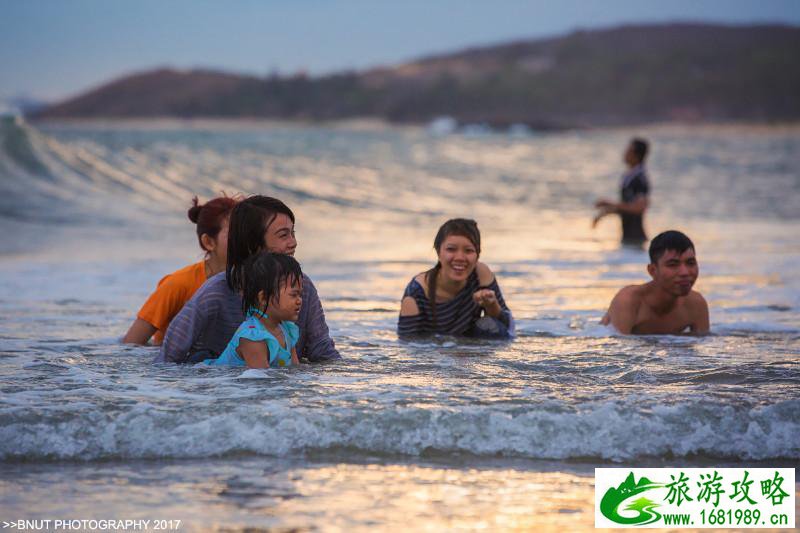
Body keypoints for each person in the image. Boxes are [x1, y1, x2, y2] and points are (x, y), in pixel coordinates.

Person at [154, 195, 339, 363]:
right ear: (253, 244)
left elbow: (322, 352)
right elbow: (167, 360)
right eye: (283, 235)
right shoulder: (215, 292)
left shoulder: (302, 286)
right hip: (224, 390)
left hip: (278, 391)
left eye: (293, 233)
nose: (293, 242)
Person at [123, 195, 239, 345]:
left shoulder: (255, 283)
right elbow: (130, 345)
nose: (244, 239)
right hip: (174, 366)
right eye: (234, 233)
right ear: (208, 242)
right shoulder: (177, 284)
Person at [398, 218, 514, 338]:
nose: (460, 257)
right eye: (451, 249)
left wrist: (491, 305)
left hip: (469, 348)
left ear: (477, 255)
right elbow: (408, 345)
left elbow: (508, 329)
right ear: (438, 252)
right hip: (434, 351)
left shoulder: (480, 274)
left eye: (468, 251)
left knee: (490, 326)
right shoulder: (416, 293)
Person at [601, 230, 709, 335]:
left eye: (690, 263)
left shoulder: (696, 303)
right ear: (653, 270)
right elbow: (616, 348)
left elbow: (702, 346)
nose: (685, 272)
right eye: (673, 264)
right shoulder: (629, 301)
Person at [205, 253, 302, 368]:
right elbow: (261, 381)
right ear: (264, 298)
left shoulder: (286, 328)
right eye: (294, 295)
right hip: (216, 378)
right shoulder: (253, 338)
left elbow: (296, 369)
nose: (299, 300)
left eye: (301, 294)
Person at [593, 138, 650, 246]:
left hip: (636, 237)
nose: (625, 153)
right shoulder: (629, 176)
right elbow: (626, 207)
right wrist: (604, 212)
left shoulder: (640, 178)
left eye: (628, 151)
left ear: (636, 155)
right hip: (628, 236)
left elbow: (639, 208)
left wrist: (608, 203)